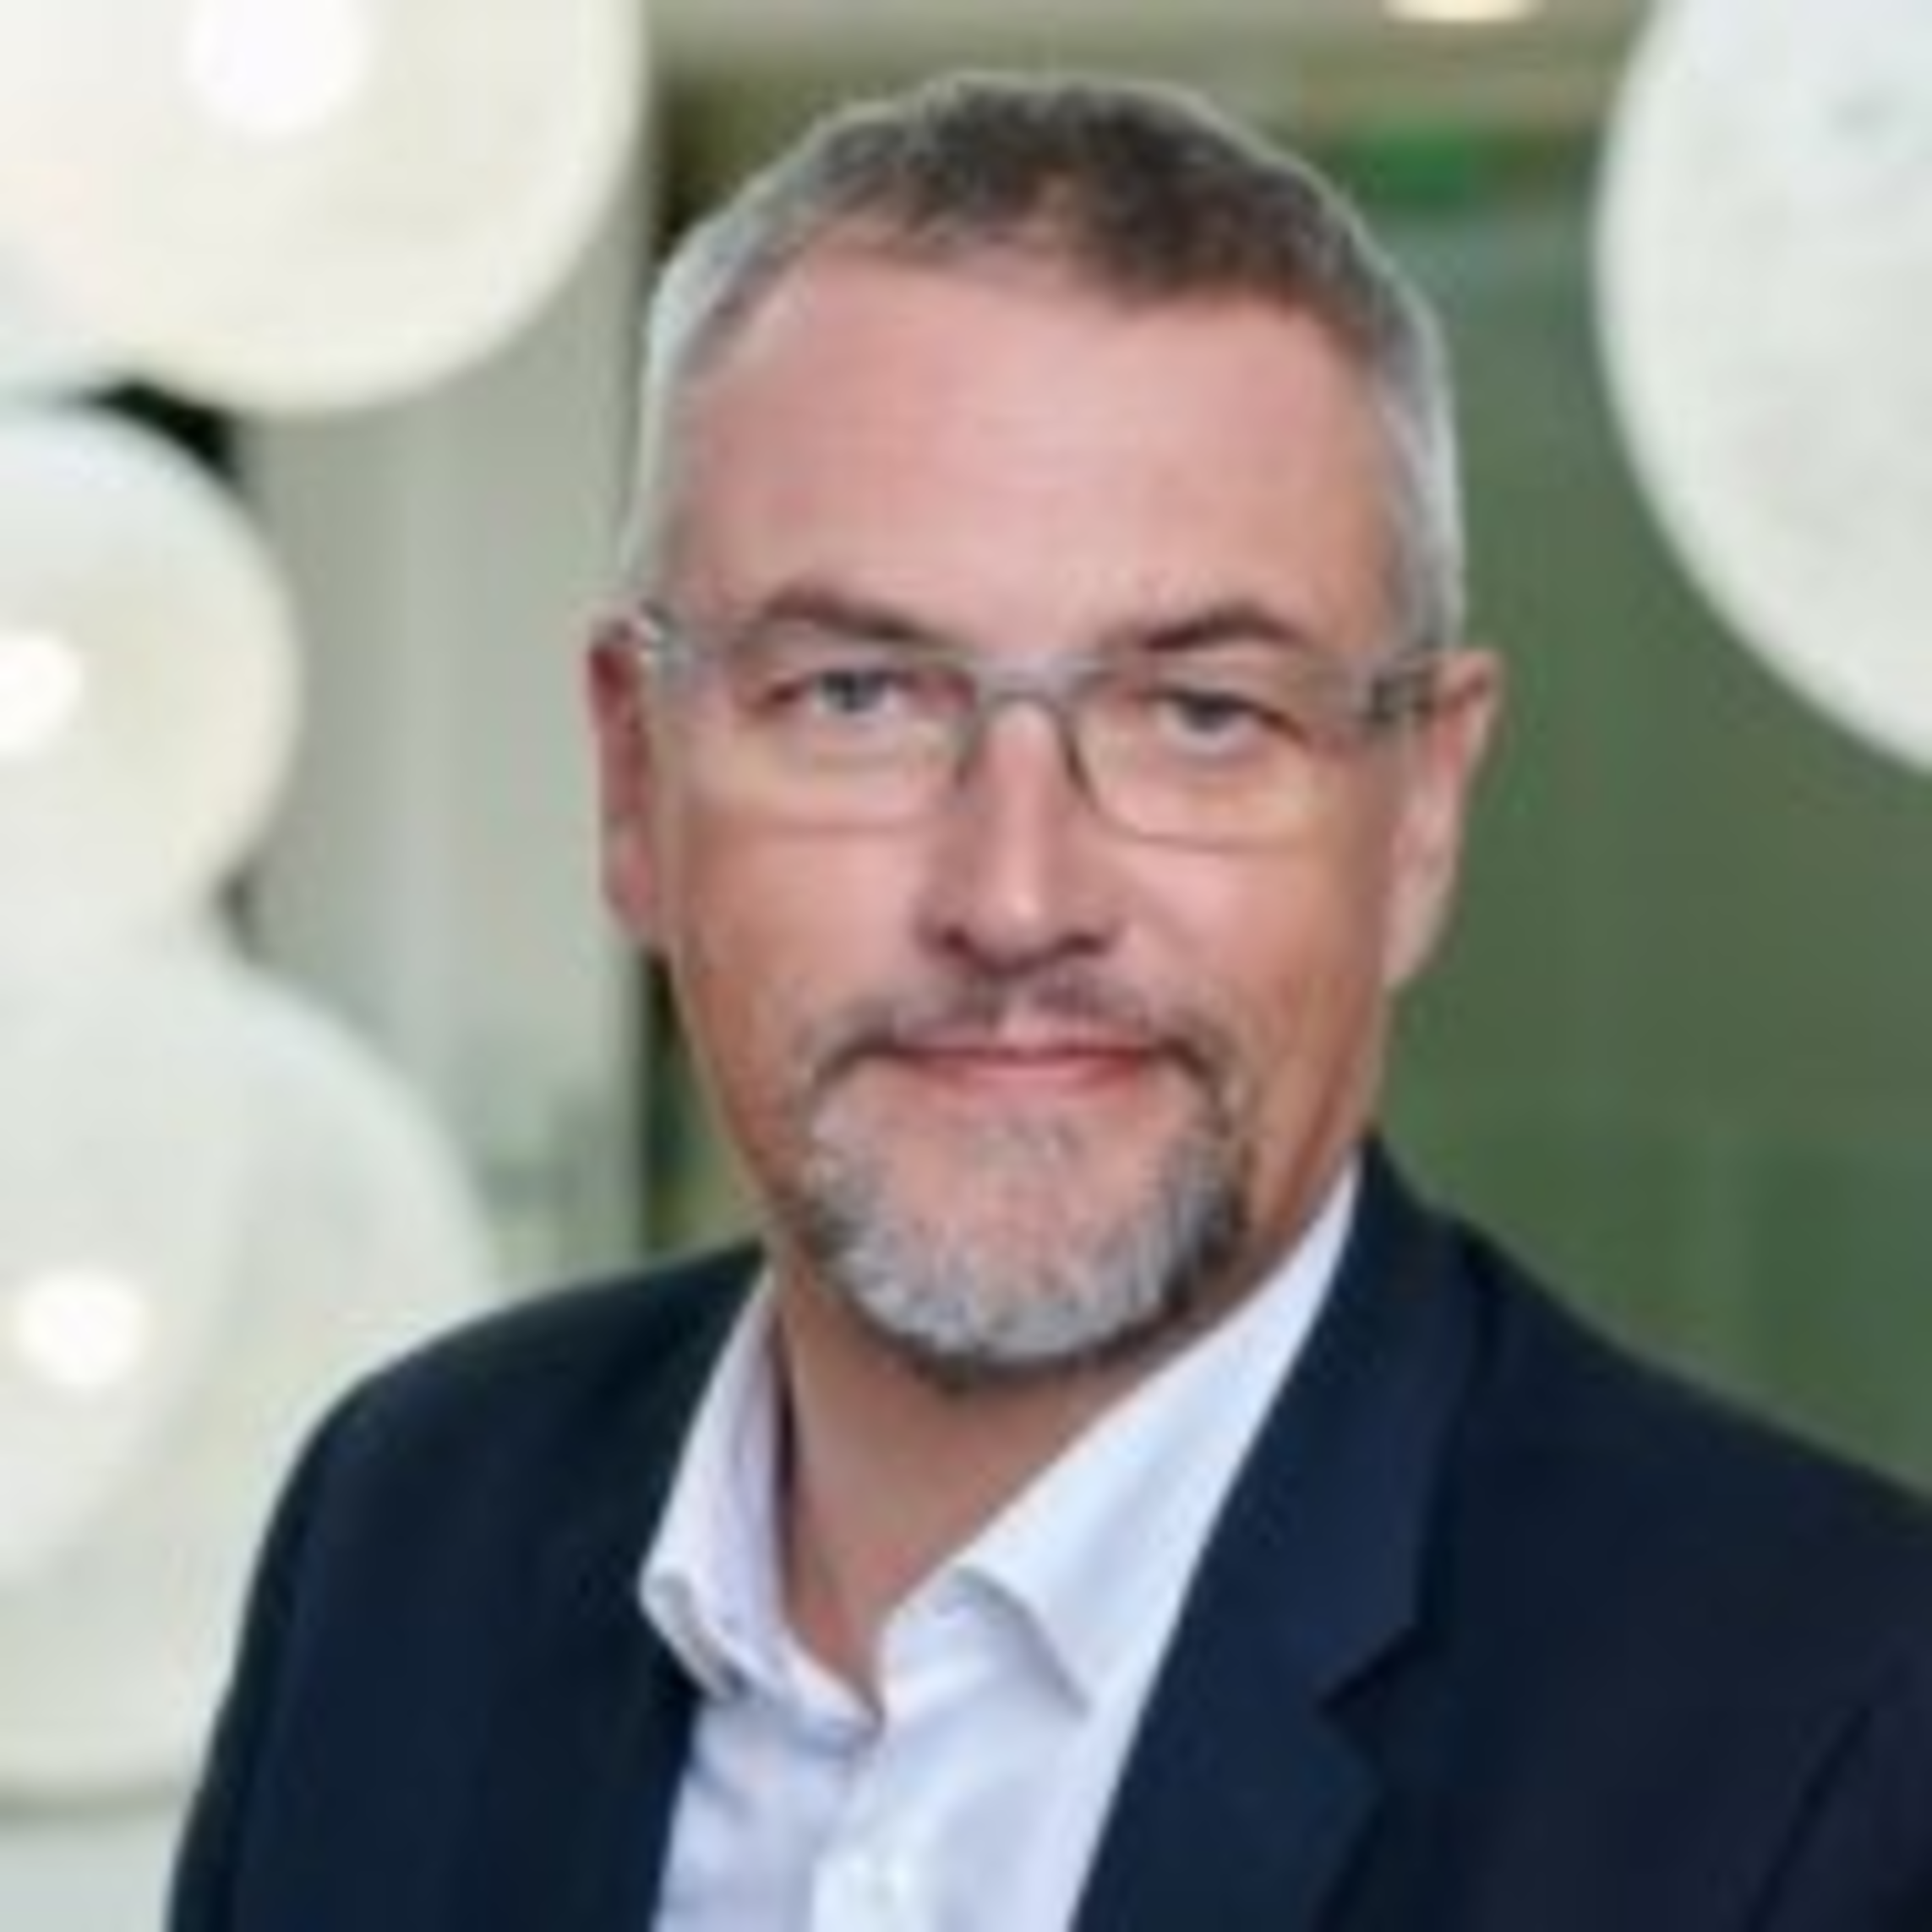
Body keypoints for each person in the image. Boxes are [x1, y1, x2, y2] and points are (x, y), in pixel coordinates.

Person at [168, 71, 1932, 1932]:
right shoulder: (405, 1526)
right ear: (632, 777)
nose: (1016, 900)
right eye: (859, 695)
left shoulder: (1841, 1741)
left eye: (1201, 714)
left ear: (1420, 813)